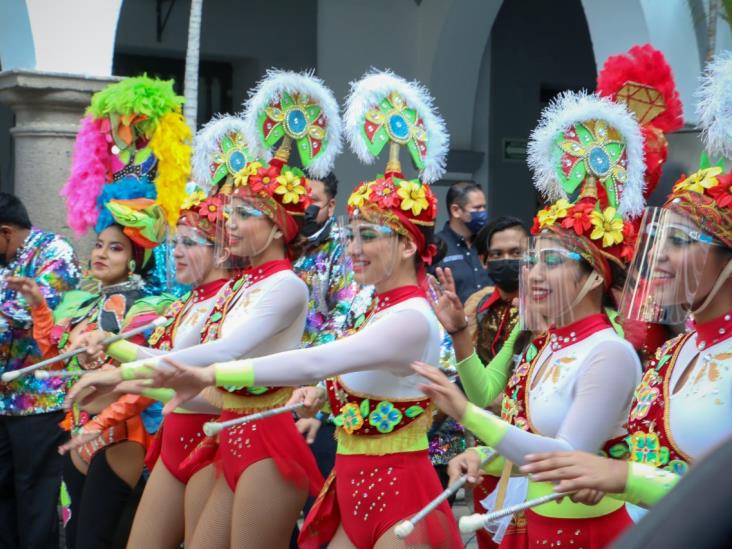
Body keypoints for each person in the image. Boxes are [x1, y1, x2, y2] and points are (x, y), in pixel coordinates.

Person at [102, 70, 463, 549]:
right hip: (311, 467)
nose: (352, 247)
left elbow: (312, 360)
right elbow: (326, 370)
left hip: (383, 486)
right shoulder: (364, 307)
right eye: (351, 234)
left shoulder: (407, 316)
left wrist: (200, 374)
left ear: (408, 247)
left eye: (368, 236)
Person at [65, 70, 342, 549]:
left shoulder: (285, 286)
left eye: (243, 215)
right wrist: (116, 360)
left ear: (278, 227)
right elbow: (197, 366)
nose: (229, 226)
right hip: (222, 435)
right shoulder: (241, 286)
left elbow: (223, 352)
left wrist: (117, 373)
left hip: (262, 439)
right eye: (229, 214)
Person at [509, 51, 732, 520]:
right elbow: (647, 456)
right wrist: (612, 477)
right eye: (660, 239)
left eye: (681, 241)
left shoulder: (624, 347)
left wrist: (620, 478)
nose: (661, 258)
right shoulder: (675, 352)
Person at [422, 91, 648, 548]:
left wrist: (466, 414)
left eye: (552, 261)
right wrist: (481, 456)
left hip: (587, 535)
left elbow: (564, 456)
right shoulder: (546, 340)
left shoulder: (610, 351)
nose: (533, 273)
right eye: (534, 260)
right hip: (534, 526)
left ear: (593, 275)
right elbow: (521, 426)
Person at [62, 113, 243, 546]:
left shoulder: (175, 306)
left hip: (186, 440)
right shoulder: (176, 306)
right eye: (176, 242)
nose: (178, 252)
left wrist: (113, 372)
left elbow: (170, 375)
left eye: (190, 243)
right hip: (125, 436)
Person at [0, 192, 81, 549]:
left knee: (35, 495)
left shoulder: (54, 252)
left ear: (5, 232)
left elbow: (19, 315)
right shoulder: (5, 258)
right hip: (3, 403)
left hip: (38, 401)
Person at [433, 181, 491, 302]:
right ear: (455, 210)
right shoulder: (436, 247)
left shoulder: (488, 243)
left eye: (484, 207)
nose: (483, 213)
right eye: (477, 208)